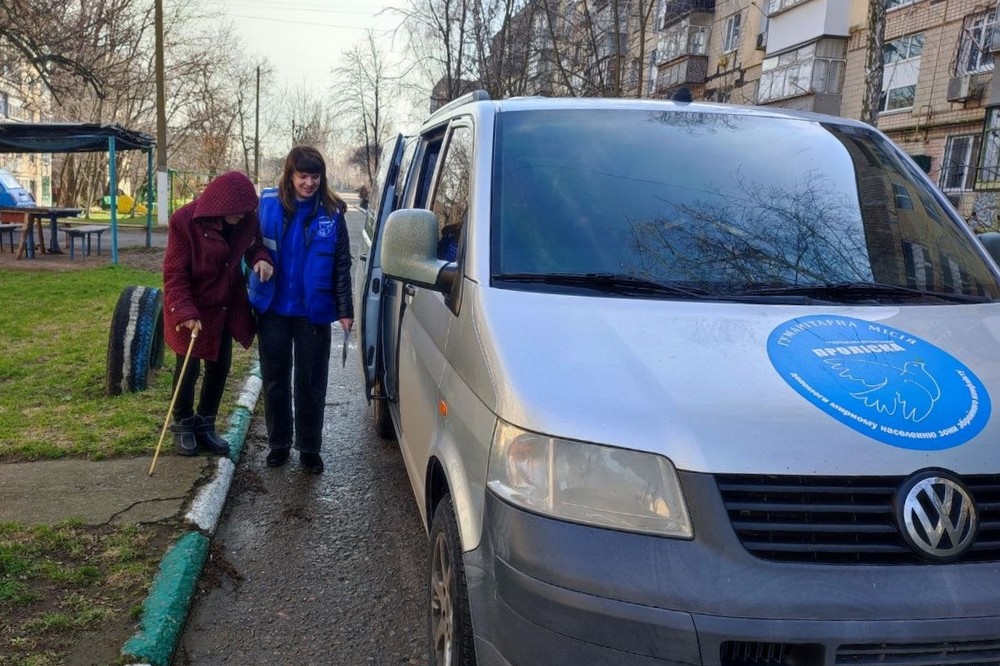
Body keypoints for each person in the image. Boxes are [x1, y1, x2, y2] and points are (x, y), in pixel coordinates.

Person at [249, 146, 354, 474]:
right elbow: (250, 244)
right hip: (273, 310)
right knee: (275, 380)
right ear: (290, 175)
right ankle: (279, 443)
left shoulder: (332, 212)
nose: (309, 183)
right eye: (303, 176)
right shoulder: (266, 204)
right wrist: (259, 259)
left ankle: (309, 447)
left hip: (314, 312)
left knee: (311, 381)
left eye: (315, 176)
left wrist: (345, 309)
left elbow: (341, 264)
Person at [162, 170, 274, 456]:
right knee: (188, 368)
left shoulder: (246, 220)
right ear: (221, 205)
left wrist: (260, 259)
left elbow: (255, 245)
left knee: (220, 365)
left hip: (224, 305)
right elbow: (174, 274)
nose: (242, 215)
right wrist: (185, 311)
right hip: (191, 304)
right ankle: (183, 424)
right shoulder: (184, 221)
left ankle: (205, 423)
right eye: (237, 210)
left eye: (246, 210)